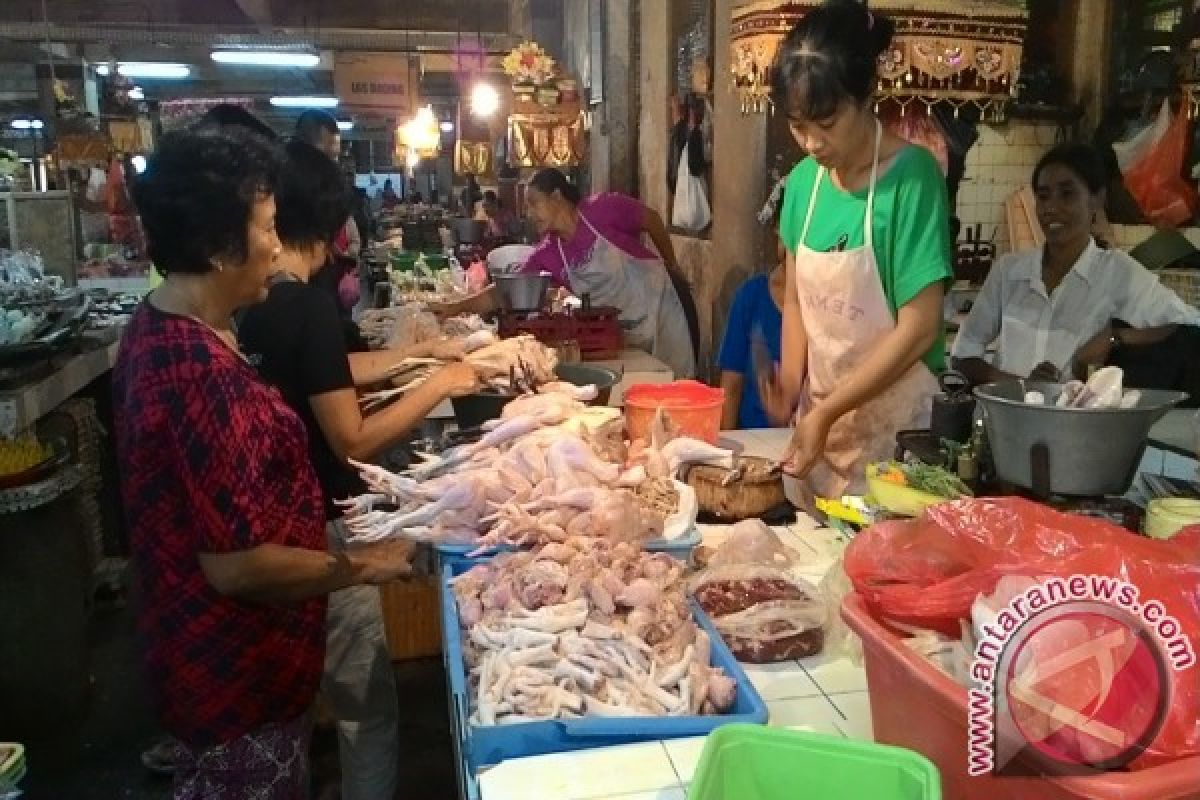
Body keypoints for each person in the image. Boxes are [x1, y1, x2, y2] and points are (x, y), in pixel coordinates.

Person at [113, 129, 413, 799]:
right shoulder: (201, 378)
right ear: (221, 249)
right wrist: (369, 563)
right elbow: (239, 565)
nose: (280, 246)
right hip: (235, 683)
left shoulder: (161, 328)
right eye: (268, 229)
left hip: (214, 669)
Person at [234, 140, 476, 800]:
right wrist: (443, 382)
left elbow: (330, 376)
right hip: (326, 529)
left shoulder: (248, 304)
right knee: (365, 707)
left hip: (274, 534)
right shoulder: (306, 306)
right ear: (329, 222)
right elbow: (351, 438)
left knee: (300, 705)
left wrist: (421, 353)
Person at [758, 2, 953, 498]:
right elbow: (798, 300)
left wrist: (827, 409)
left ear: (865, 95)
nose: (812, 143)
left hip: (899, 443)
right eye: (798, 125)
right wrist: (792, 381)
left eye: (826, 121)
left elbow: (920, 326)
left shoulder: (913, 179)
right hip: (822, 438)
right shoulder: (804, 184)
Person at [953, 143, 1200, 384]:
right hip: (1006, 419)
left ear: (1096, 200)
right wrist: (1021, 386)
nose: (1050, 208)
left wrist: (1115, 337)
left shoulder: (1118, 273)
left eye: (1067, 194)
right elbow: (964, 354)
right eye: (1043, 196)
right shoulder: (1010, 271)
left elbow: (1190, 326)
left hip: (1078, 423)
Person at [434, 168, 698, 378]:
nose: (529, 213)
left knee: (679, 381)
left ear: (557, 196)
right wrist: (454, 308)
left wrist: (671, 263)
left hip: (661, 308)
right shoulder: (548, 253)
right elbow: (505, 292)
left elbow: (651, 219)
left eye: (534, 203)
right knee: (644, 385)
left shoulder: (602, 209)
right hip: (624, 332)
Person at [718, 200, 787, 430]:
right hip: (756, 439)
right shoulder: (751, 295)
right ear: (777, 228)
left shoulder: (828, 306)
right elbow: (732, 382)